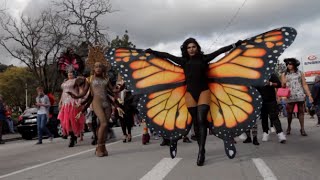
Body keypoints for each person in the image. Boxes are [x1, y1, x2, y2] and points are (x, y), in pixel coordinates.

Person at [146, 38, 243, 166]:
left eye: (193, 47)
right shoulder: (183, 61)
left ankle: (201, 151)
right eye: (189, 47)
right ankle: (200, 147)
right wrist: (153, 52)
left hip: (204, 92)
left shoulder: (204, 59)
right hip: (190, 94)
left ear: (197, 48)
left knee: (202, 119)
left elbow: (220, 51)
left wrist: (234, 45)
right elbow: (167, 56)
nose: (191, 49)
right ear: (186, 50)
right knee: (196, 122)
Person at [281, 58, 313, 136]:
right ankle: (289, 127)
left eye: (290, 64)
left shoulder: (300, 73)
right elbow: (283, 86)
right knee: (289, 112)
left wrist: (309, 95)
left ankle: (302, 129)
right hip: (290, 95)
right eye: (287, 64)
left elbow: (304, 84)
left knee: (301, 112)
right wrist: (284, 83)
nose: (289, 65)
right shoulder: (284, 74)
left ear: (294, 65)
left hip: (300, 94)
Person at [58, 70, 85, 147]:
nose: (69, 74)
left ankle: (73, 137)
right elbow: (64, 92)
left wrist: (79, 100)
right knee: (66, 121)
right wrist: (60, 102)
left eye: (71, 73)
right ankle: (72, 136)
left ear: (74, 74)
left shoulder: (76, 80)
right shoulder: (65, 82)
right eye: (68, 73)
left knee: (73, 120)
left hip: (73, 102)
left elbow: (81, 90)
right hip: (65, 103)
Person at [258, 73, 286, 143]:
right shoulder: (255, 75)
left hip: (271, 100)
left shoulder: (271, 74)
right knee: (264, 118)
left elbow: (279, 84)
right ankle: (265, 133)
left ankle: (280, 134)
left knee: (274, 117)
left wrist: (270, 83)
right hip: (260, 100)